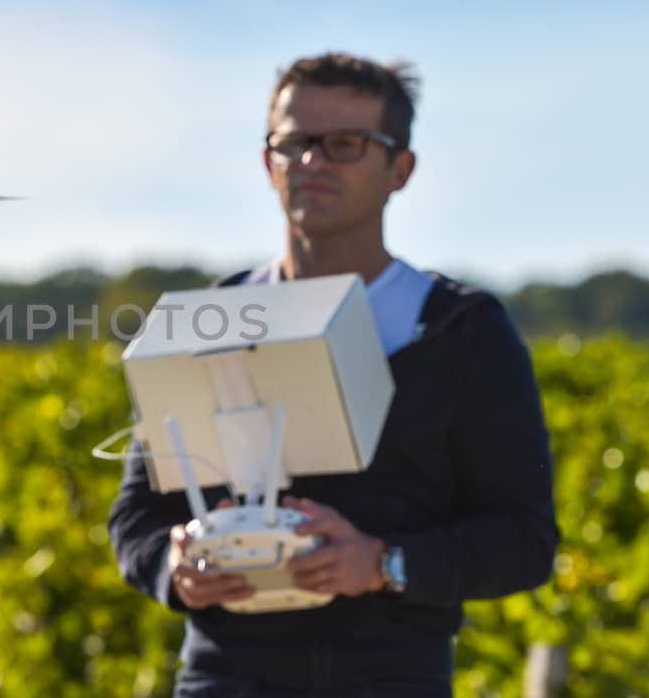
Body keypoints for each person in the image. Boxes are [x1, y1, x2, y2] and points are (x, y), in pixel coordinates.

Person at [107, 52, 559, 697]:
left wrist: (384, 563)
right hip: (224, 679)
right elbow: (137, 515)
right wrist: (171, 568)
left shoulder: (461, 331)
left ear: (400, 169)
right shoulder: (209, 321)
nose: (314, 162)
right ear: (269, 163)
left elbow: (524, 539)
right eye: (294, 143)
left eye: (345, 144)